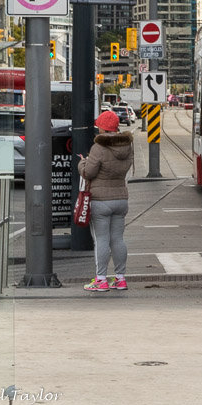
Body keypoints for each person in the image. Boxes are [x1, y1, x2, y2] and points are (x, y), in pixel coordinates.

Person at [79, 110, 134, 293]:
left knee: (101, 239)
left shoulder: (99, 147)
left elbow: (89, 173)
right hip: (121, 198)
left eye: (99, 127)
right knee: (118, 239)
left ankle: (101, 279)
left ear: (103, 128)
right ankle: (120, 278)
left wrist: (82, 163)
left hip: (100, 200)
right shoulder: (127, 146)